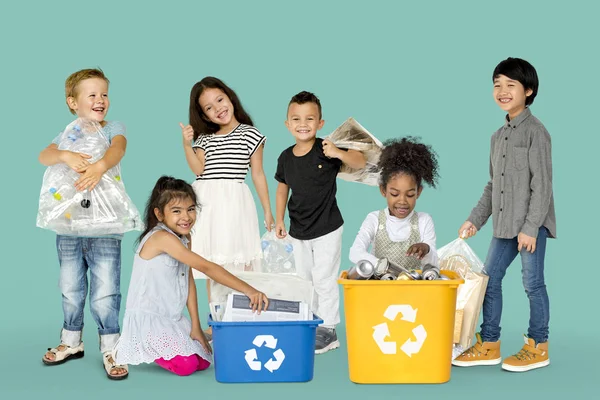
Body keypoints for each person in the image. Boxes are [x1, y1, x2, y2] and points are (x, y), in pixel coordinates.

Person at [453, 57, 556, 372]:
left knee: (532, 282)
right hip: (504, 225)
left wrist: (530, 226)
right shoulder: (497, 137)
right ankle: (490, 344)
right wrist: (474, 219)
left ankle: (538, 346)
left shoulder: (536, 133)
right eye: (497, 84)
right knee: (489, 279)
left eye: (511, 84)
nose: (502, 91)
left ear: (529, 90)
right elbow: (492, 186)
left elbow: (543, 185)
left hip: (529, 225)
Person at [113, 176, 269, 376]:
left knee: (203, 362)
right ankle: (138, 346)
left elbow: (188, 280)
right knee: (186, 367)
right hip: (149, 319)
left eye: (191, 209)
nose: (186, 217)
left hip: (173, 318)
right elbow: (206, 267)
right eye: (176, 211)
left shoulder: (185, 238)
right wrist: (249, 289)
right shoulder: (161, 238)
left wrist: (195, 326)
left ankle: (181, 340)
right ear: (159, 214)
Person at [38, 68, 130, 380]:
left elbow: (119, 148)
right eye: (92, 95)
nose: (100, 100)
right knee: (70, 287)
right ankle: (71, 341)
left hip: (104, 224)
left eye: (104, 94)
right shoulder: (66, 135)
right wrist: (64, 155)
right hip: (69, 226)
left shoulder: (111, 128)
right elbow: (44, 156)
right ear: (72, 102)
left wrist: (100, 167)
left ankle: (111, 345)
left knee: (106, 289)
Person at [275, 91, 366, 354]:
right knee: (304, 278)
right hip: (298, 229)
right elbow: (282, 188)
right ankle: (311, 321)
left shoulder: (326, 148)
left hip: (327, 226)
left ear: (320, 123)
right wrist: (279, 219)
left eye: (310, 118)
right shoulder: (285, 157)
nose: (303, 124)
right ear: (288, 124)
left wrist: (338, 152)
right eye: (296, 119)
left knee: (324, 277)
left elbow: (359, 162)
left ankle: (328, 329)